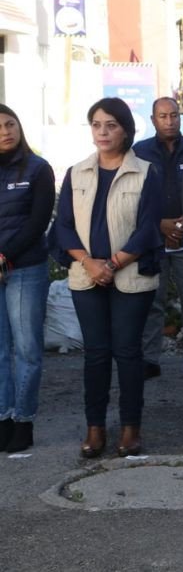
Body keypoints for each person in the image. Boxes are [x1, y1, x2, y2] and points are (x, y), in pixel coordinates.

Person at [55, 97, 162, 458]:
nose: (103, 132)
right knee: (96, 354)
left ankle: (131, 429)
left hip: (130, 277)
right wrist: (89, 262)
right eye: (97, 124)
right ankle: (95, 428)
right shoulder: (76, 172)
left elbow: (147, 229)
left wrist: (112, 264)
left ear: (126, 130)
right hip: (86, 276)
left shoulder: (146, 171)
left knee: (128, 352)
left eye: (111, 125)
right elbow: (64, 227)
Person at [133, 97, 183, 381]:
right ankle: (149, 359)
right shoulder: (139, 152)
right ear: (153, 120)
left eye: (174, 115)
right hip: (154, 239)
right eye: (163, 116)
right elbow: (132, 198)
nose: (170, 121)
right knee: (153, 301)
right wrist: (160, 224)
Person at [0, 104, 55, 453]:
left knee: (27, 350)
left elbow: (37, 222)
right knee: (0, 351)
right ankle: (3, 417)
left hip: (25, 269)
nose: (5, 131)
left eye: (10, 124)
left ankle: (23, 420)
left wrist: (5, 255)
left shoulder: (38, 169)